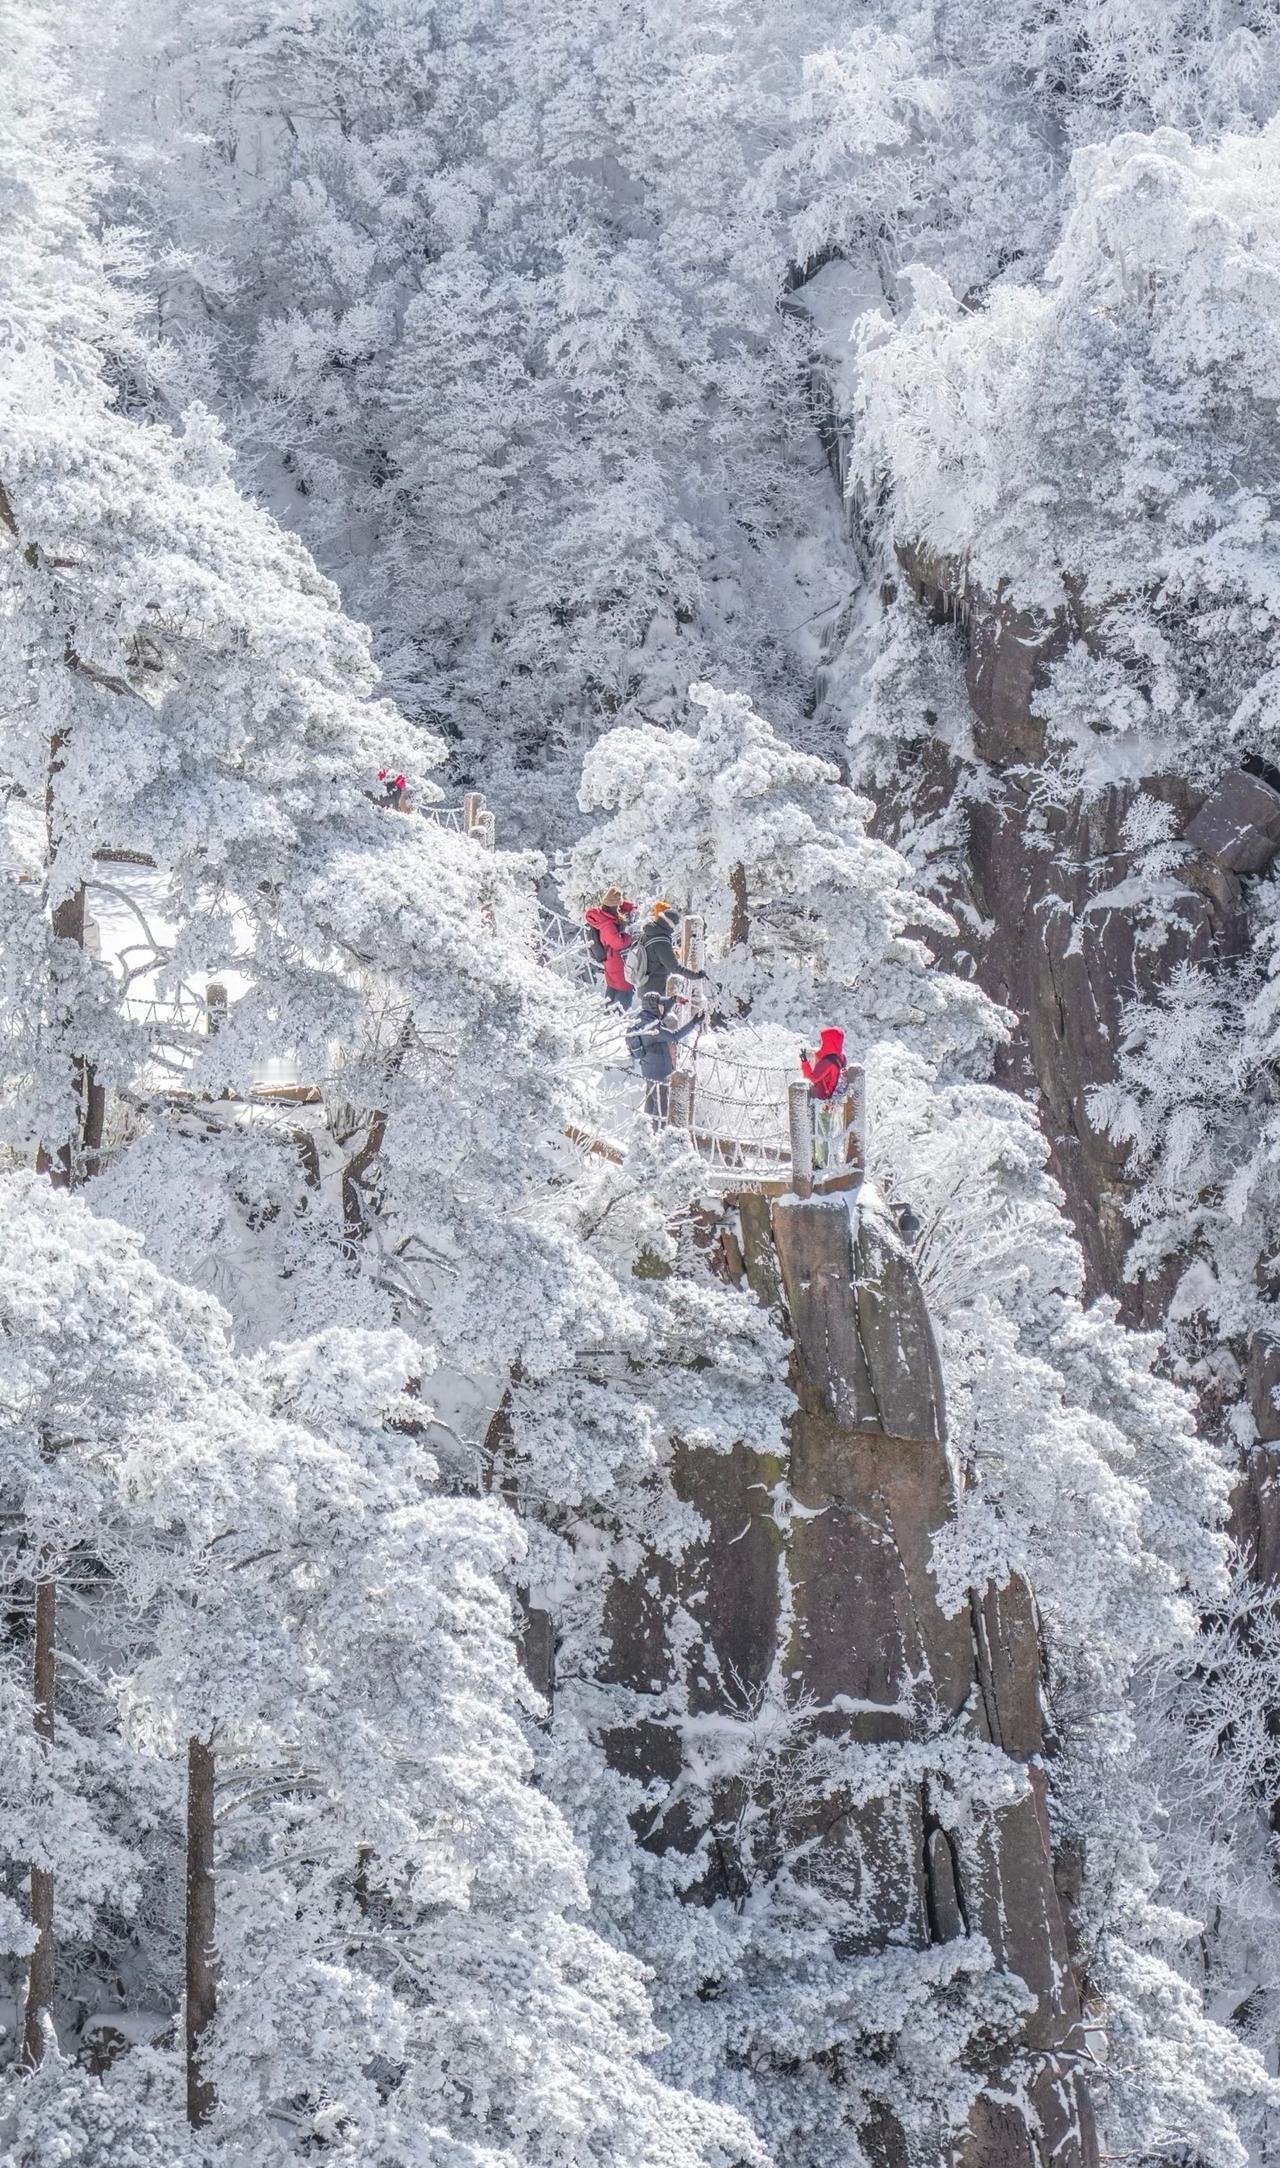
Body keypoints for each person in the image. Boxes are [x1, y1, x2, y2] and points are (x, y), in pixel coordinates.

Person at [627, 990, 702, 1120]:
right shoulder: (653, 1028)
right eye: (659, 1005)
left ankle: (646, 1127)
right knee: (661, 1108)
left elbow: (661, 1004)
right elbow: (675, 1036)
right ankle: (658, 1129)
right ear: (654, 1007)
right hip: (659, 1072)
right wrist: (693, 1022)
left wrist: (673, 1000)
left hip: (648, 1068)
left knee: (651, 1102)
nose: (662, 1008)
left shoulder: (642, 1019)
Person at [635, 901, 709, 1002]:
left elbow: (653, 955)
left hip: (644, 984)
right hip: (655, 988)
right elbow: (675, 968)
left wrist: (670, 952)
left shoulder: (649, 932)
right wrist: (695, 975)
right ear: (670, 924)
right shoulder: (661, 941)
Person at [800, 1026, 846, 1167]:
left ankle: (822, 1164)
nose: (821, 1043)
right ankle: (826, 1162)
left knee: (821, 1134)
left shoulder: (827, 1062)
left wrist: (804, 1062)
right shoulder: (840, 1058)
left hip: (821, 1101)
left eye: (823, 1041)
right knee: (826, 1132)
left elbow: (812, 1078)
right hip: (831, 1100)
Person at [584, 889, 637, 1010]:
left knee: (613, 987)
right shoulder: (607, 924)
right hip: (616, 960)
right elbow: (618, 943)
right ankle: (621, 1015)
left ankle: (608, 1013)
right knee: (625, 988)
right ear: (614, 906)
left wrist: (628, 906)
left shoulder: (603, 915)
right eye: (618, 905)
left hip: (610, 959)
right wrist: (629, 938)